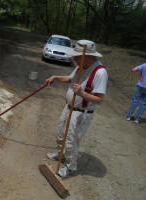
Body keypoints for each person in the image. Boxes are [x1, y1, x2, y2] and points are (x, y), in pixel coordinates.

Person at [45, 40, 108, 178]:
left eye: (77, 56)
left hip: (82, 113)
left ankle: (70, 166)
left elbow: (100, 99)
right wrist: (55, 77)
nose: (74, 59)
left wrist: (82, 94)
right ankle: (61, 155)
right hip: (69, 107)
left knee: (71, 141)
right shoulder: (81, 65)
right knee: (60, 134)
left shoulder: (100, 73)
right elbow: (70, 79)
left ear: (89, 56)